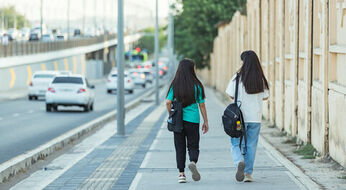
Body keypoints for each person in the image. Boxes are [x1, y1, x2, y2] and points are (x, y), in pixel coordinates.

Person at [225, 50, 269, 182]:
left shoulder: (237, 78)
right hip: (255, 118)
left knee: (235, 143)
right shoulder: (260, 79)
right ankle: (248, 174)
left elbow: (230, 94)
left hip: (239, 119)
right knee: (251, 145)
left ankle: (239, 161)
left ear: (244, 62)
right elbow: (265, 97)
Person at [166, 58, 209, 183]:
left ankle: (181, 174)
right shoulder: (197, 85)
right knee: (193, 145)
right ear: (191, 70)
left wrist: (171, 115)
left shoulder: (175, 85)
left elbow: (168, 102)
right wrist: (205, 121)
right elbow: (202, 105)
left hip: (178, 121)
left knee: (180, 147)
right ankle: (193, 162)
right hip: (193, 120)